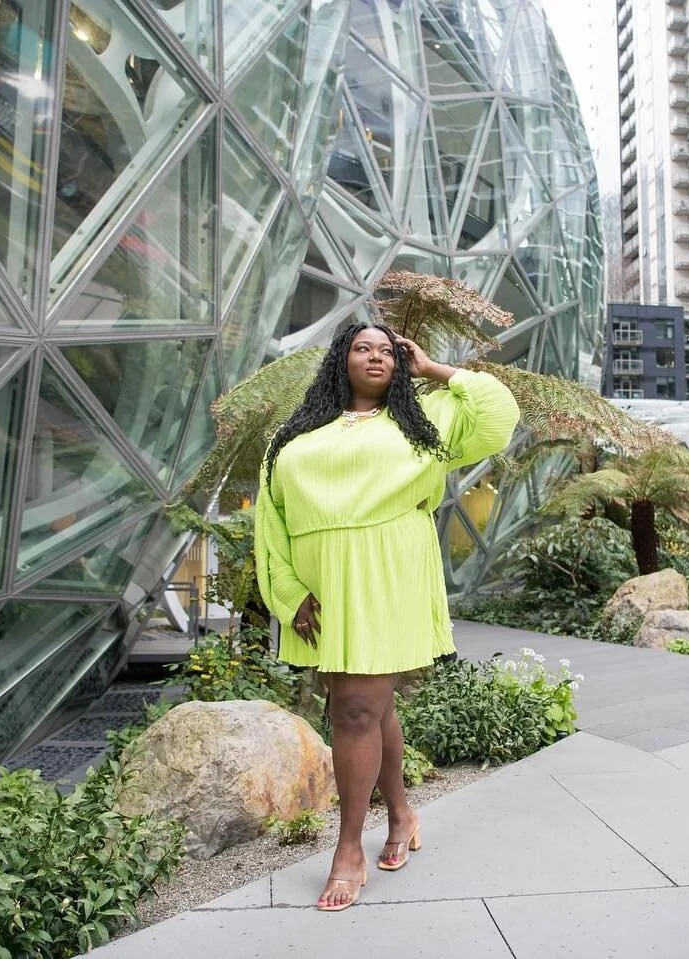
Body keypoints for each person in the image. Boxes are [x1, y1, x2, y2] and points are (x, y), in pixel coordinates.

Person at [254, 320, 519, 912]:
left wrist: (435, 370)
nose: (376, 357)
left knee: (352, 707)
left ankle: (348, 850)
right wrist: (290, 591)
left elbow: (499, 412)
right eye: (361, 348)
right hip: (323, 583)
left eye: (388, 351)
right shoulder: (294, 435)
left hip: (388, 573)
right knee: (367, 705)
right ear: (339, 361)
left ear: (401, 363)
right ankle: (401, 813)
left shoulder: (425, 421)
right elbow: (269, 521)